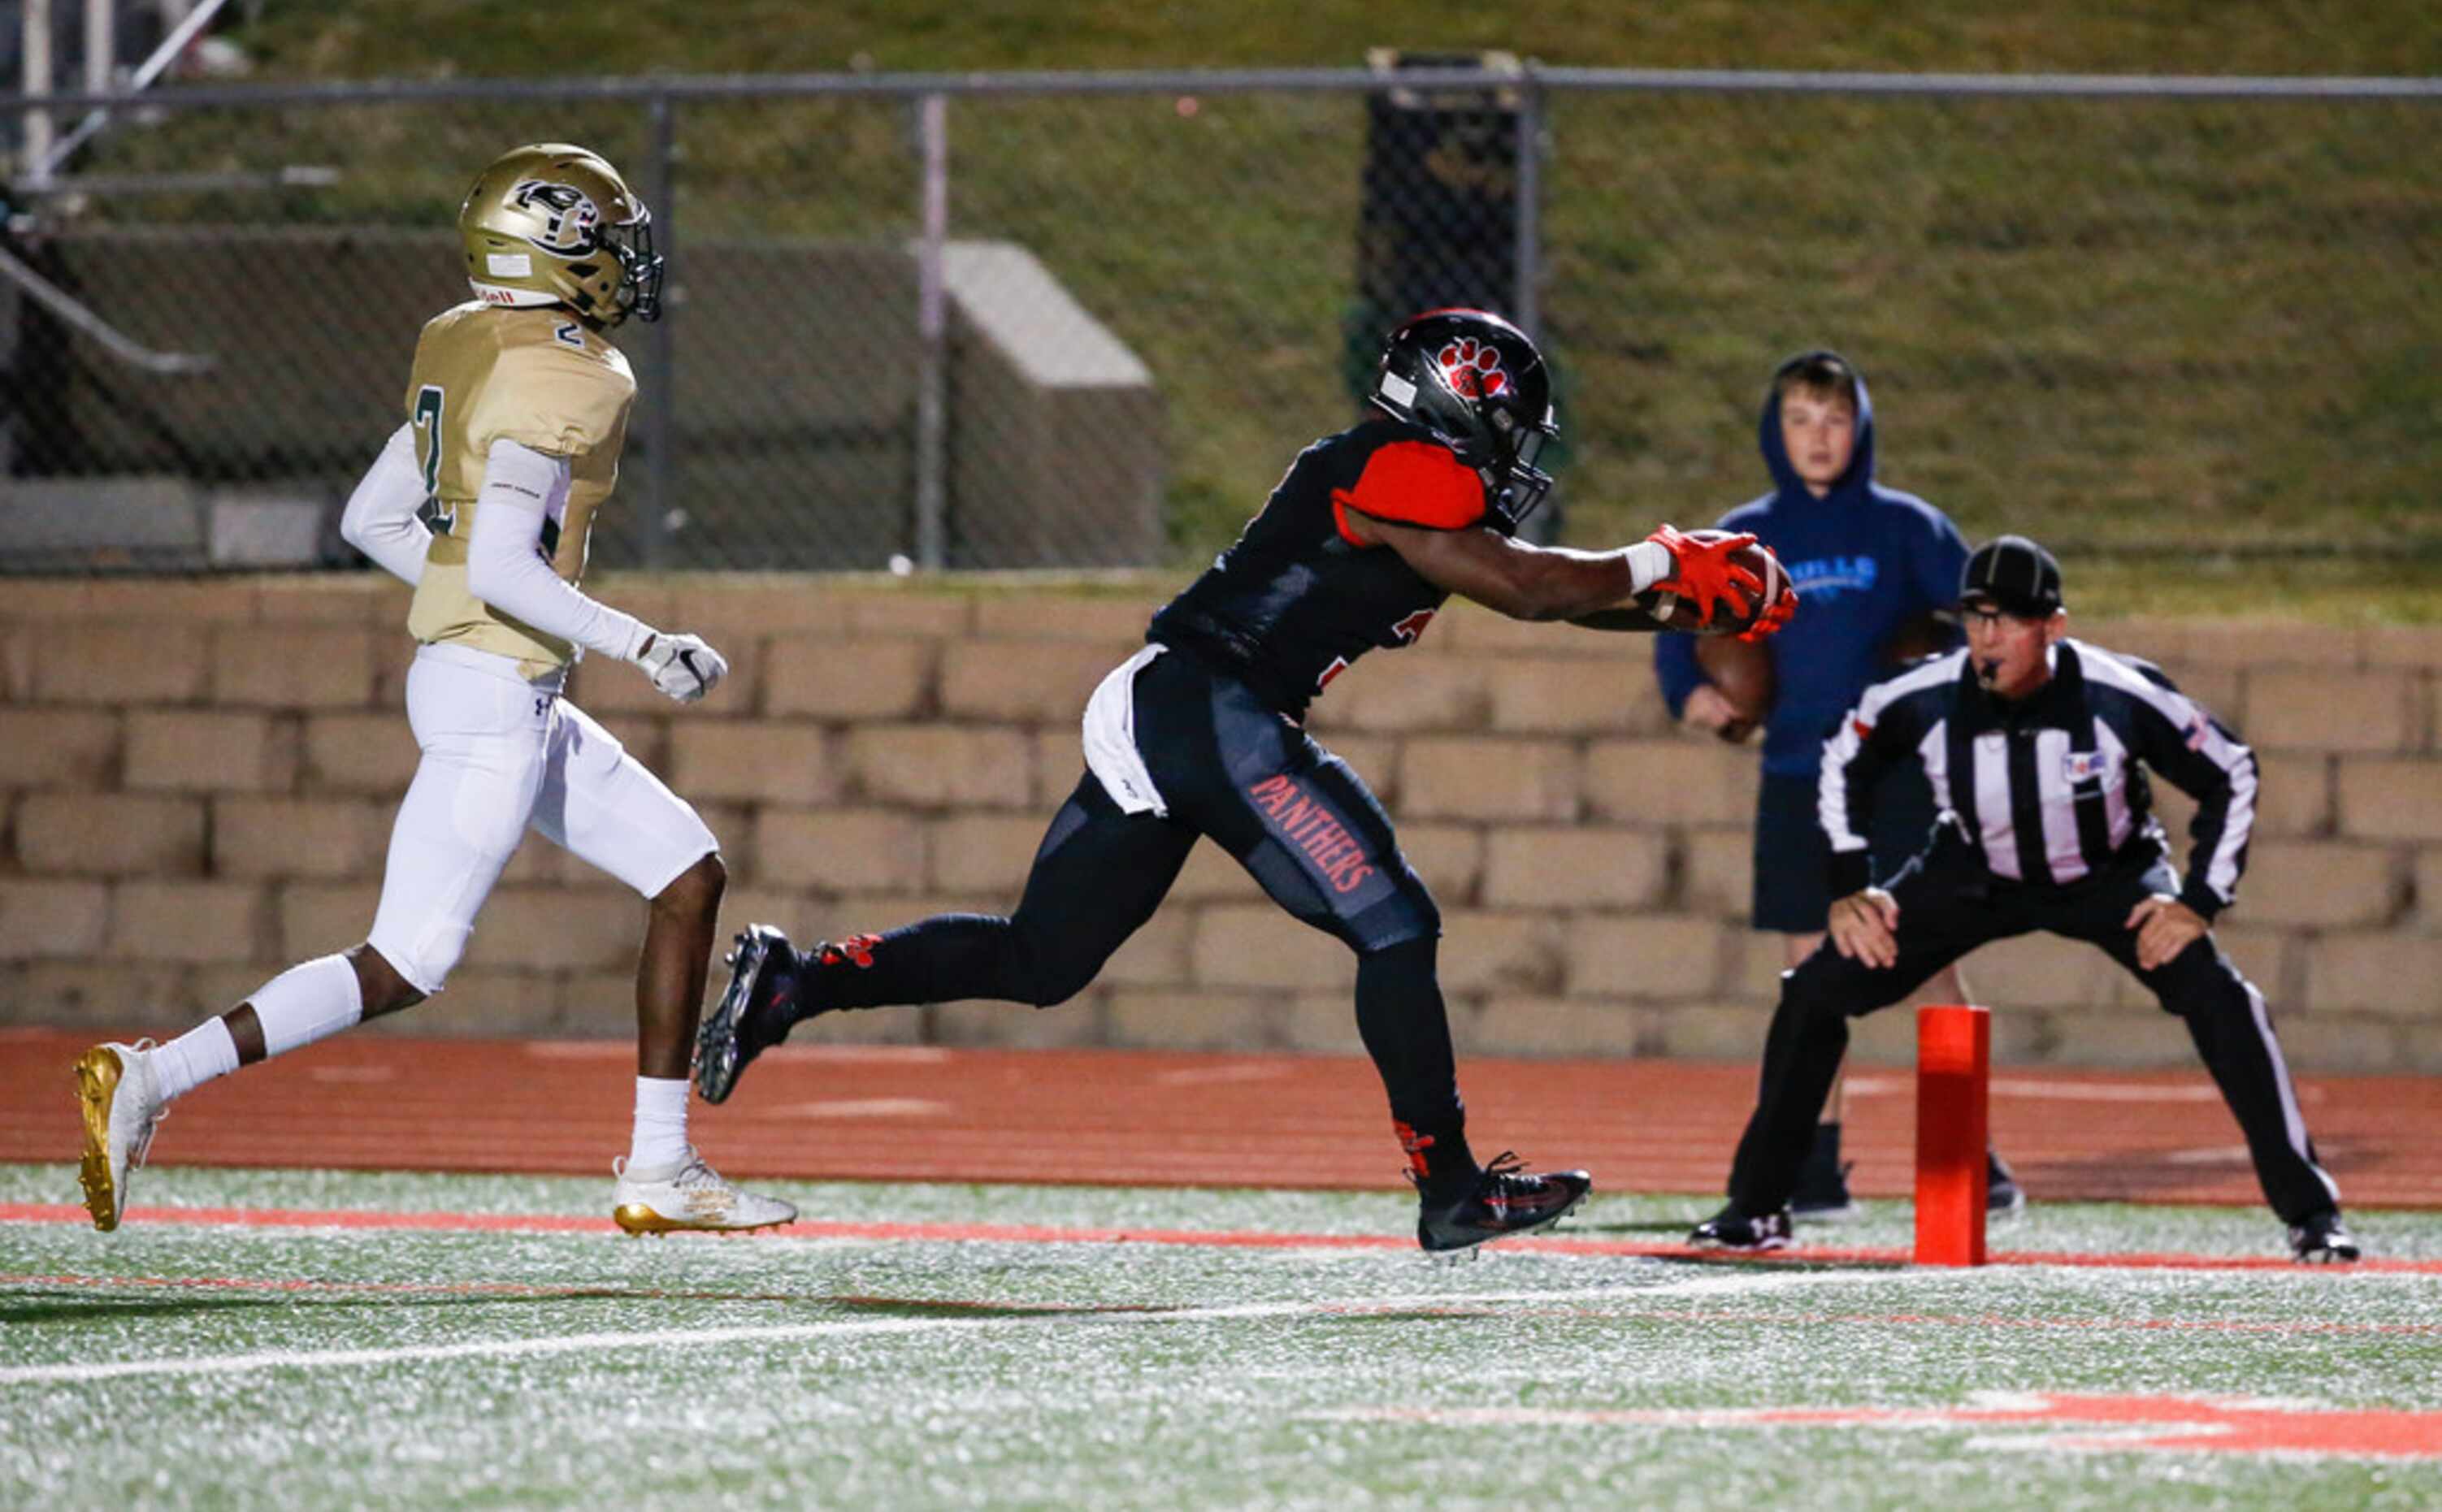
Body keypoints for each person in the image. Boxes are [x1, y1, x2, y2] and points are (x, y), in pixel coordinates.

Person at [692, 307, 1796, 1252]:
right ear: (1457, 404)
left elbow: (1547, 588)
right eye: (1505, 422)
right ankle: (1452, 1187)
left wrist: (1681, 600)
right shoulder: (1396, 463)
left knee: (1042, 959)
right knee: (1393, 923)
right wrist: (1665, 562)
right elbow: (1526, 587)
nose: (1513, 449)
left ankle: (799, 980)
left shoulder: (1414, 486)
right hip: (1206, 703)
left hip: (1185, 704)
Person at [72, 144, 794, 1238]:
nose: (618, 258)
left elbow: (376, 519)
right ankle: (153, 1073)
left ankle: (660, 1166)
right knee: (407, 958)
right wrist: (645, 644)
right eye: (597, 236)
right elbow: (504, 566)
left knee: (686, 871)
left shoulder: (462, 338)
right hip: (494, 692)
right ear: (544, 246)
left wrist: (484, 606)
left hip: (491, 680)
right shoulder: (566, 367)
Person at [1690, 536, 2359, 1263]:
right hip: (1972, 871)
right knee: (1815, 991)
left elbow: (2231, 768)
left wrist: (2197, 901)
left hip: (2110, 876)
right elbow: (1844, 754)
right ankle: (1754, 1209)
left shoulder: (2116, 694)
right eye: (1975, 620)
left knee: (2225, 1001)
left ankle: (2311, 1214)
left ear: (2053, 627)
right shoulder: (1926, 694)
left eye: (2006, 621)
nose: (1987, 639)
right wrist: (1851, 887)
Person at [1653, 349, 2021, 1220]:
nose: (1817, 437)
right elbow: (1679, 626)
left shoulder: (1906, 528)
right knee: (1804, 971)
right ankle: (1813, 1170)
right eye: (1798, 420)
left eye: (1832, 419)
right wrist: (1692, 695)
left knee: (1927, 957)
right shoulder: (1745, 533)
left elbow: (1978, 614)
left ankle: (1967, 1160)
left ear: (1857, 428)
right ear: (1772, 434)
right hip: (1793, 773)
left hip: (1894, 778)